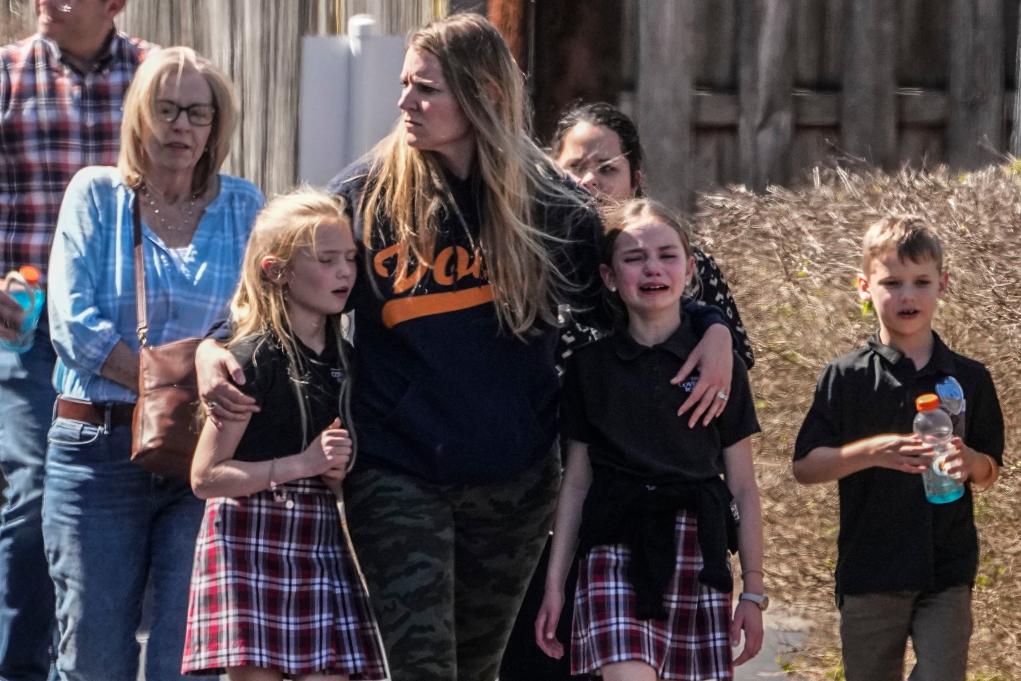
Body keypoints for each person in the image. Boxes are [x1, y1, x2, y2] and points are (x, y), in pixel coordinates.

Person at [197, 14, 736, 681]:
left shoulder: (551, 206)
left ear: (483, 94)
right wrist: (213, 348)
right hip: (396, 470)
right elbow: (279, 280)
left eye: (426, 88)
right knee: (421, 668)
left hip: (514, 478)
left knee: (475, 670)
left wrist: (712, 327)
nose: (405, 102)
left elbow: (640, 290)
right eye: (404, 84)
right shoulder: (367, 195)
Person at [503, 101, 757, 680]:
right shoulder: (533, 261)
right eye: (574, 167)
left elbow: (728, 379)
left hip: (657, 504)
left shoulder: (677, 257)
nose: (590, 181)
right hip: (540, 493)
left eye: (607, 168)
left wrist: (716, 330)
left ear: (636, 176)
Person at [43, 46, 263, 681]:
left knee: (186, 658)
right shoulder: (95, 194)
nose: (181, 126)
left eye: (197, 113)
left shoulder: (245, 206)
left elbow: (258, 322)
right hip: (98, 449)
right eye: (166, 110)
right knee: (94, 657)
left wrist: (210, 381)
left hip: (202, 458)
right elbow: (73, 326)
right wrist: (175, 384)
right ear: (139, 116)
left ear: (216, 126)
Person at [0, 2, 152, 677]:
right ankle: (18, 665)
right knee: (35, 488)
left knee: (117, 493)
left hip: (129, 334)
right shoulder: (7, 77)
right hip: (29, 328)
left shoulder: (154, 79)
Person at [181, 189, 386, 681]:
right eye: (327, 260)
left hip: (321, 533)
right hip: (249, 535)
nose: (345, 272)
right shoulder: (249, 359)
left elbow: (338, 464)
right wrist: (304, 464)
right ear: (276, 271)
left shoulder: (346, 359)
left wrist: (336, 471)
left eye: (350, 258)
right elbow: (205, 477)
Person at [792, 216, 1004, 681]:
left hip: (947, 570)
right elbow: (805, 467)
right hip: (870, 571)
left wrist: (971, 462)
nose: (908, 296)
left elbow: (991, 470)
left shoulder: (970, 377)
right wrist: (871, 452)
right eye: (892, 283)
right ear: (864, 287)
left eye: (921, 282)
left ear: (942, 284)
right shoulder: (845, 377)